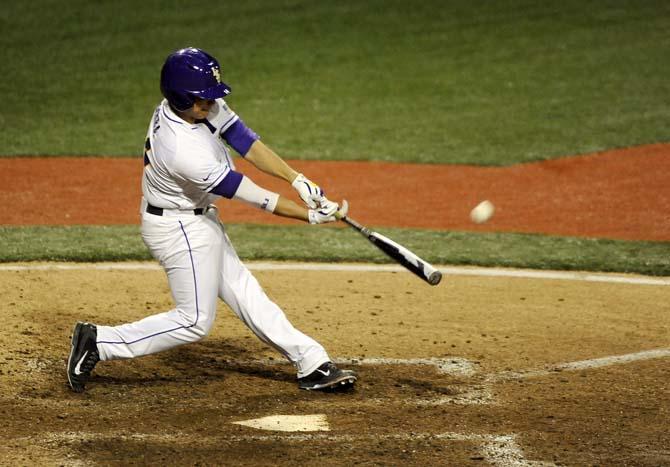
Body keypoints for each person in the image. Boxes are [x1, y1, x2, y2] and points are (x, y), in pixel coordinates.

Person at [67, 47, 356, 393]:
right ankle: (99, 342)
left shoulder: (192, 108)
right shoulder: (181, 150)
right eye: (201, 100)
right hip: (178, 228)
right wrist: (308, 215)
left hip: (198, 219)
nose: (209, 106)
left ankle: (310, 362)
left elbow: (243, 140)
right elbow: (250, 193)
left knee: (247, 293)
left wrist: (297, 179)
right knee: (194, 321)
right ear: (179, 96)